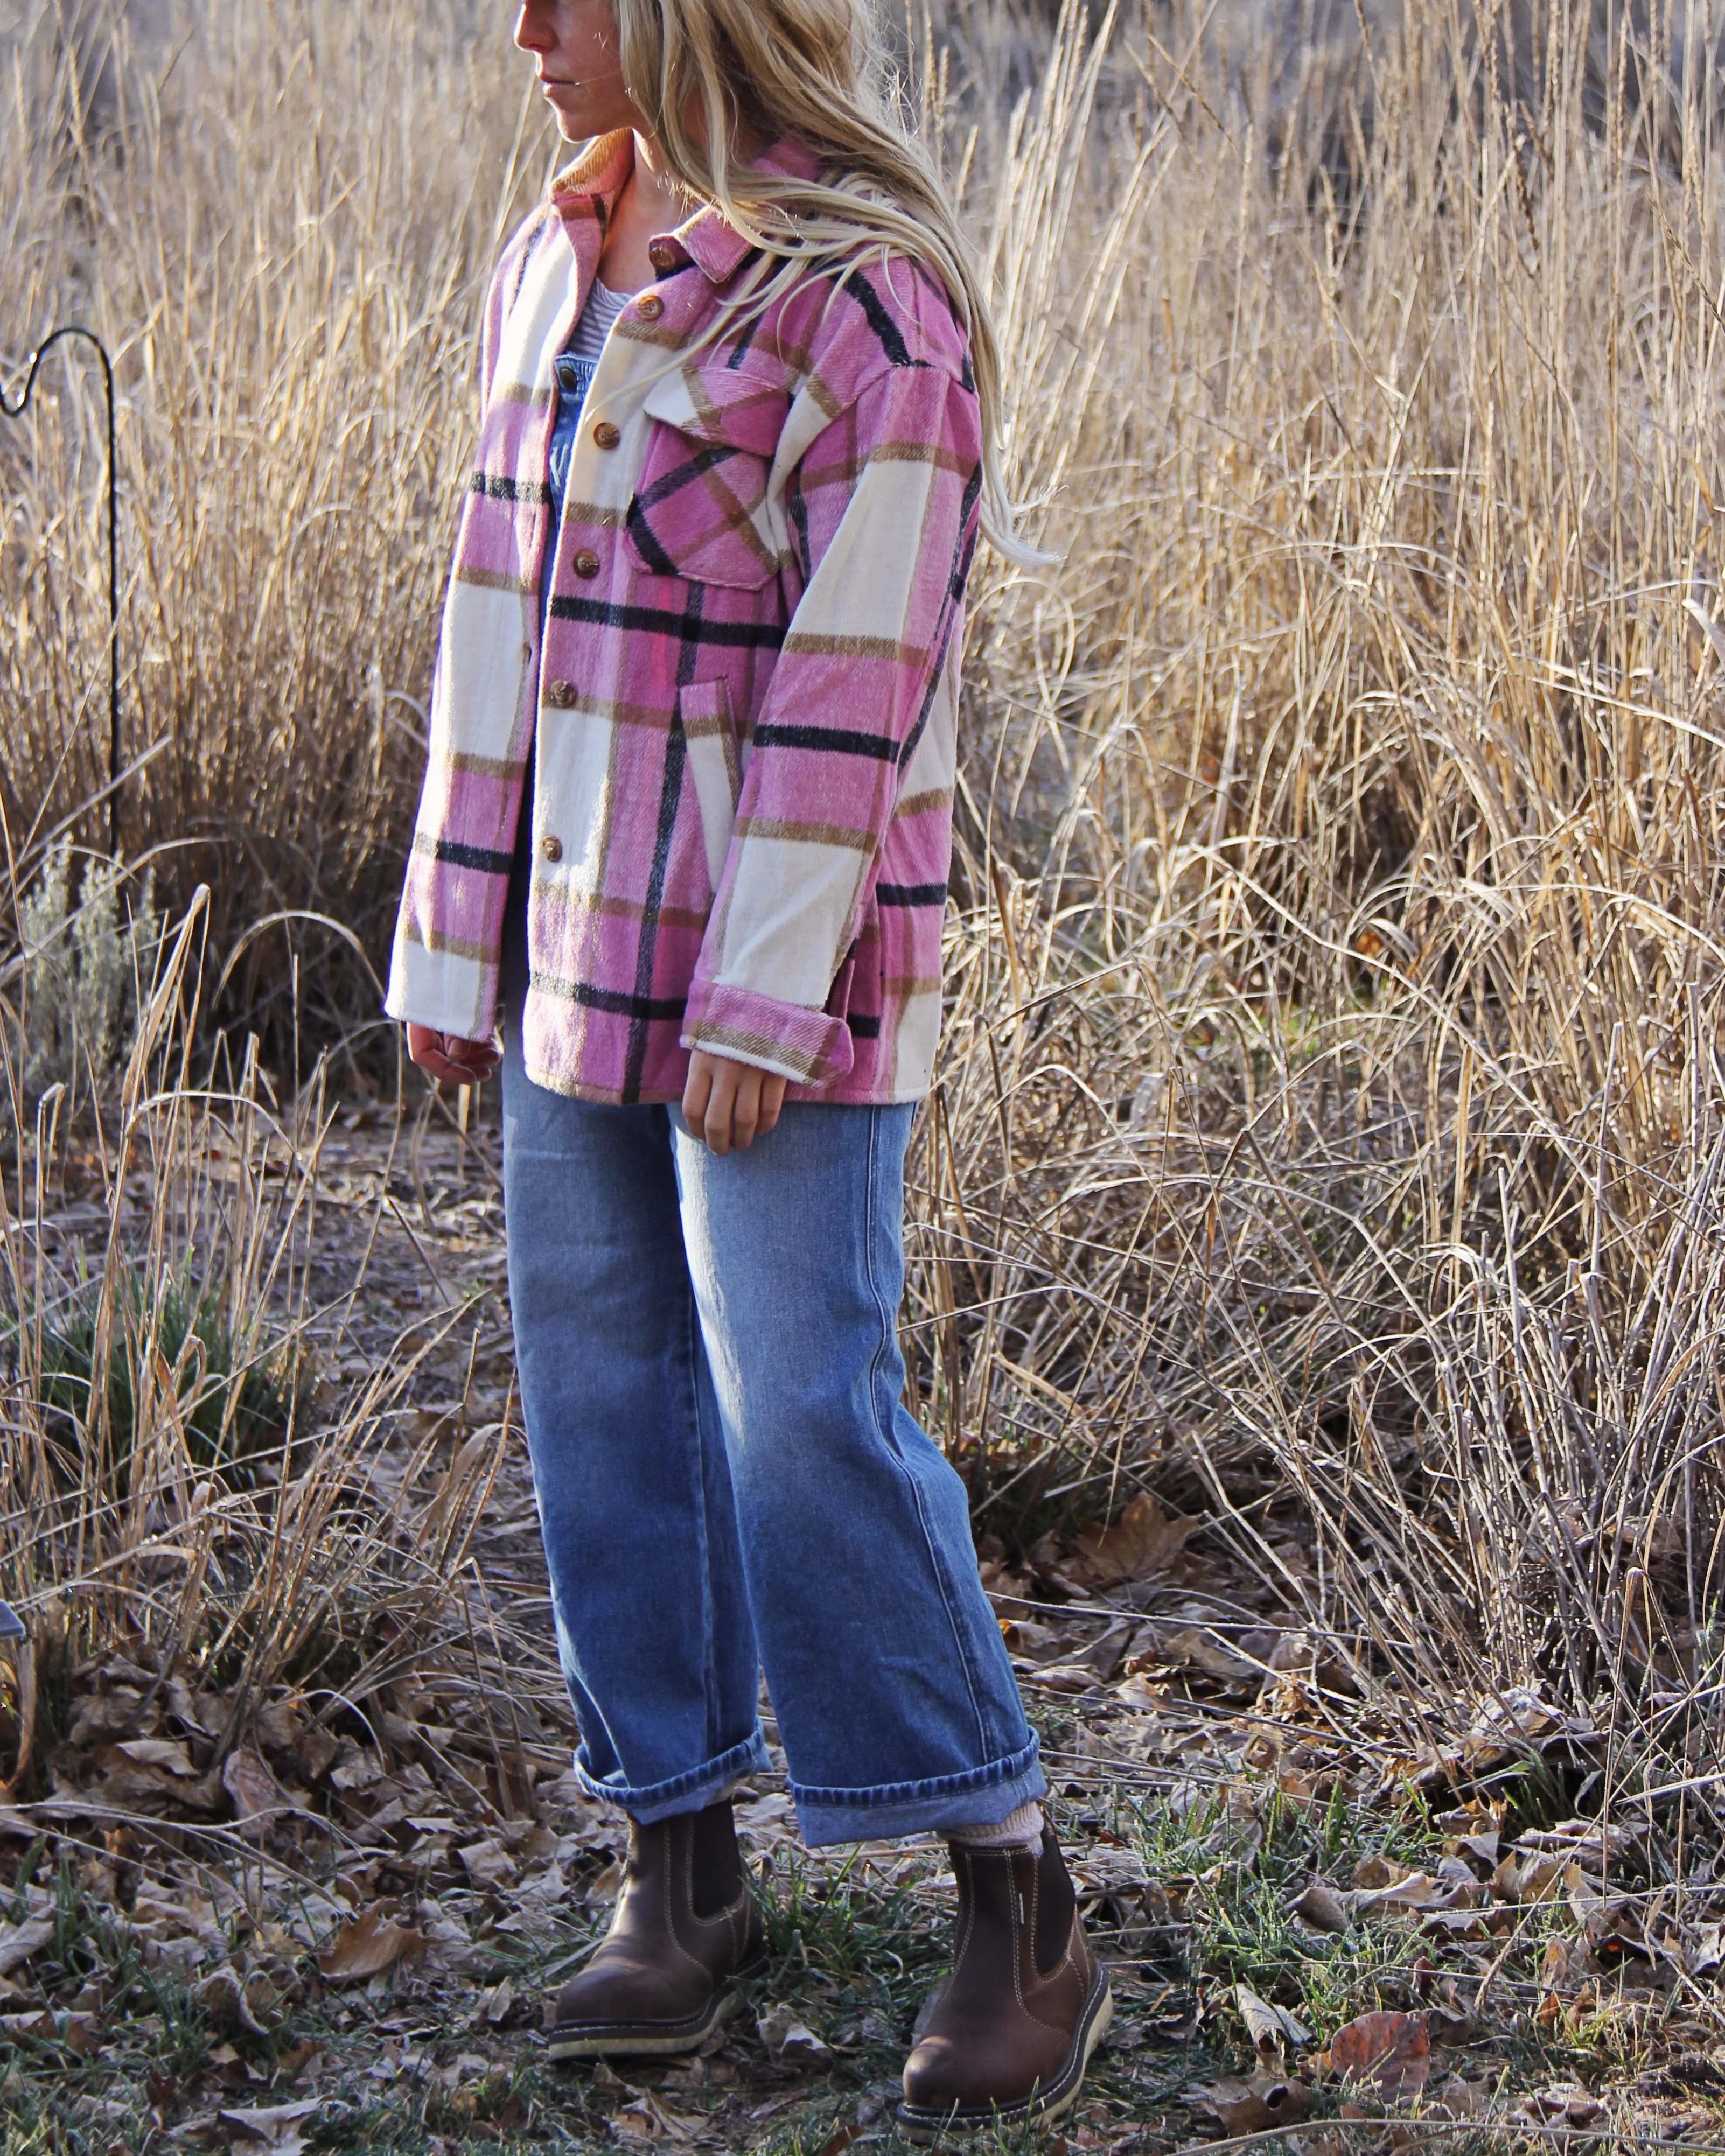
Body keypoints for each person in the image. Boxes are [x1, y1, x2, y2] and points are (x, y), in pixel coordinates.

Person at [386, 0, 1110, 2130]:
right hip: (569, 964)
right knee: (603, 1386)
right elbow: (489, 606)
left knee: (798, 1403)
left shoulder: (859, 303)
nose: (525, 31)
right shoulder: (550, 257)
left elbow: (859, 673)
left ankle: (1009, 1870)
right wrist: (453, 926)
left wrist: (758, 999)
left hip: (779, 988)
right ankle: (676, 1855)